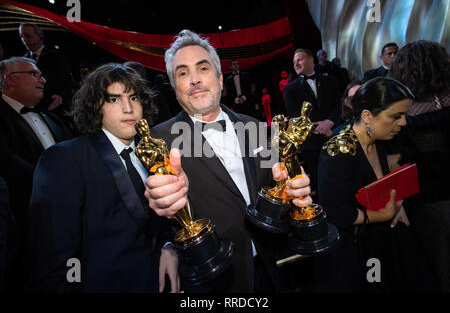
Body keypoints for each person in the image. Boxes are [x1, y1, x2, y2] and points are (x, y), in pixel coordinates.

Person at [144, 29, 313, 292]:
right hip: (215, 279)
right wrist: (168, 239)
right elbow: (156, 210)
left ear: (220, 78)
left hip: (270, 268)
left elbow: (278, 185)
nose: (195, 80)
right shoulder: (160, 140)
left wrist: (295, 189)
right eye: (183, 73)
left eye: (203, 68)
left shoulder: (255, 126)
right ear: (174, 87)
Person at [28, 63, 179, 293]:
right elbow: (56, 255)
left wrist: (169, 247)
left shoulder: (154, 153)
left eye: (134, 98)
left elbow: (163, 223)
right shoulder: (63, 159)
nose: (128, 109)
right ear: (95, 105)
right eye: (114, 99)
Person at [317, 77, 433, 292]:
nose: (404, 123)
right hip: (358, 252)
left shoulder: (378, 139)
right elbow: (335, 213)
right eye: (396, 116)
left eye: (404, 115)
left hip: (384, 241)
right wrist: (382, 215)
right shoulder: (337, 151)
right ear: (367, 116)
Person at [0, 57, 73, 291]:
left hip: (69, 220)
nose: (43, 80)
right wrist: (52, 187)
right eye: (34, 74)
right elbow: (6, 163)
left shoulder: (52, 117)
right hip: (23, 226)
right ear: (9, 79)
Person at [389, 40, 450, 292]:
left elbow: (395, 163)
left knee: (441, 263)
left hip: (427, 199)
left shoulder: (402, 114)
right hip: (431, 199)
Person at [284, 48, 341, 199]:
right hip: (311, 143)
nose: (296, 63)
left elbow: (338, 105)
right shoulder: (290, 88)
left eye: (300, 59)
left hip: (335, 136)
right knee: (320, 182)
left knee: (340, 177)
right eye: (294, 61)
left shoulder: (331, 81)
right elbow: (295, 115)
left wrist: (329, 123)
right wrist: (319, 127)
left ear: (311, 60)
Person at [19, 23, 74, 120]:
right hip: (33, 111)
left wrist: (60, 98)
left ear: (40, 36)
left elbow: (69, 82)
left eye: (28, 35)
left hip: (56, 110)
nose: (24, 40)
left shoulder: (56, 57)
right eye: (21, 36)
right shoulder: (22, 60)